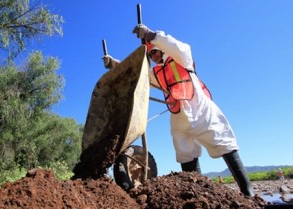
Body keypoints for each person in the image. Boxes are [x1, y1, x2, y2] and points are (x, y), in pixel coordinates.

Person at [102, 24, 255, 197]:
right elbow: (136, 72)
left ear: (163, 49)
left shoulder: (182, 59)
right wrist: (114, 64)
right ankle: (197, 196)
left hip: (202, 112)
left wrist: (152, 35)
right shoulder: (156, 73)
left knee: (224, 144)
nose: (153, 57)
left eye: (155, 52)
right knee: (185, 154)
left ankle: (247, 192)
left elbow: (178, 46)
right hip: (179, 117)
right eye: (150, 54)